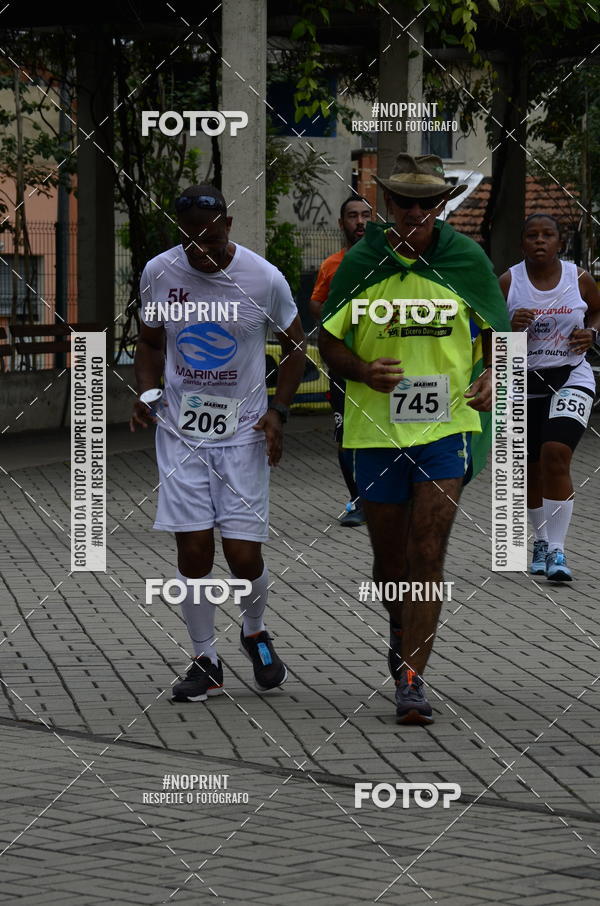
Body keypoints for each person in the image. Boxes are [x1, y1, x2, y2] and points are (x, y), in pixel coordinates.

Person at [318, 154, 511, 724]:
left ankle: (411, 679)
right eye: (404, 202)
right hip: (375, 431)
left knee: (427, 552)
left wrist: (492, 376)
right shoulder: (363, 261)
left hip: (445, 429)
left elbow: (500, 338)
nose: (415, 212)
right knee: (390, 560)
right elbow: (327, 343)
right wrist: (361, 370)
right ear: (388, 205)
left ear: (440, 207)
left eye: (427, 204)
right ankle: (400, 631)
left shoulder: (465, 259)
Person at [131, 185, 306, 702]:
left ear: (228, 225)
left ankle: (254, 630)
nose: (200, 249)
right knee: (193, 549)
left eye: (210, 236)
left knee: (243, 555)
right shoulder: (160, 272)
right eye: (190, 239)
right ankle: (205, 658)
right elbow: (149, 341)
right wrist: (147, 392)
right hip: (181, 432)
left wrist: (278, 412)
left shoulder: (262, 277)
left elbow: (295, 346)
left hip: (245, 434)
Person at [500, 213, 600, 582]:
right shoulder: (509, 282)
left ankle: (558, 550)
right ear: (522, 243)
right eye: (532, 235)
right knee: (530, 468)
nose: (540, 241)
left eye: (547, 235)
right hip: (523, 382)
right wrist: (509, 328)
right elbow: (487, 335)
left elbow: (598, 311)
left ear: (560, 242)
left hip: (572, 376)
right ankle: (539, 542)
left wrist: (591, 332)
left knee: (555, 454)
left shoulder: (579, 279)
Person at [309, 195, 372, 527]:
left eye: (365, 215)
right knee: (346, 433)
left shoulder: (387, 259)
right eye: (352, 216)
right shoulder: (332, 265)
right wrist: (342, 315)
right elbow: (316, 304)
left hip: (384, 361)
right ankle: (358, 500)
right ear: (341, 223)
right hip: (343, 364)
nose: (359, 222)